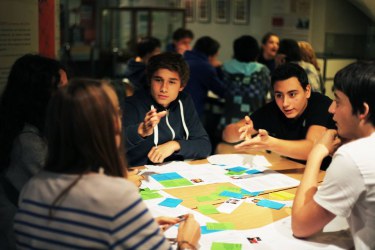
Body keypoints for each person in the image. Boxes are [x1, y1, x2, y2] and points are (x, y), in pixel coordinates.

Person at [13, 78, 201, 249]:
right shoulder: (115, 195)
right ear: (109, 126)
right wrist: (186, 242)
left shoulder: (32, 188)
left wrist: (135, 229)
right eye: (118, 113)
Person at [292, 61, 375, 250]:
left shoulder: (354, 157)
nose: (331, 109)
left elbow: (300, 226)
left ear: (363, 110)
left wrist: (316, 154)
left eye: (337, 101)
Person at [0, 54, 68, 250]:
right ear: (38, 94)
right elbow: (65, 191)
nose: (68, 95)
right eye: (61, 88)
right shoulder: (28, 141)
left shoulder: (39, 127)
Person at [222, 63, 335, 162]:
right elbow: (226, 135)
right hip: (294, 171)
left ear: (307, 91)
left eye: (292, 94)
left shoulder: (320, 104)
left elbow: (312, 149)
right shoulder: (273, 109)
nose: (285, 103)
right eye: (279, 95)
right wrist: (240, 132)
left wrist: (270, 143)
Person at [123, 52, 211, 167]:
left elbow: (205, 146)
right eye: (158, 80)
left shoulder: (184, 101)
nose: (164, 89)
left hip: (176, 173)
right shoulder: (132, 104)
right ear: (150, 81)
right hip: (139, 175)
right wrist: (140, 131)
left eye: (172, 82)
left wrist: (174, 145)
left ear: (181, 86)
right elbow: (113, 147)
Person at [219, 35, 270, 131]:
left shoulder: (225, 68)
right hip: (253, 123)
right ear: (256, 51)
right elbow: (266, 92)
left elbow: (221, 91)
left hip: (228, 121)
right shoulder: (262, 71)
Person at [183, 36, 227, 118]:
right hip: (192, 111)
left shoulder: (182, 59)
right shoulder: (205, 67)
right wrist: (218, 68)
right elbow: (222, 91)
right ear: (211, 56)